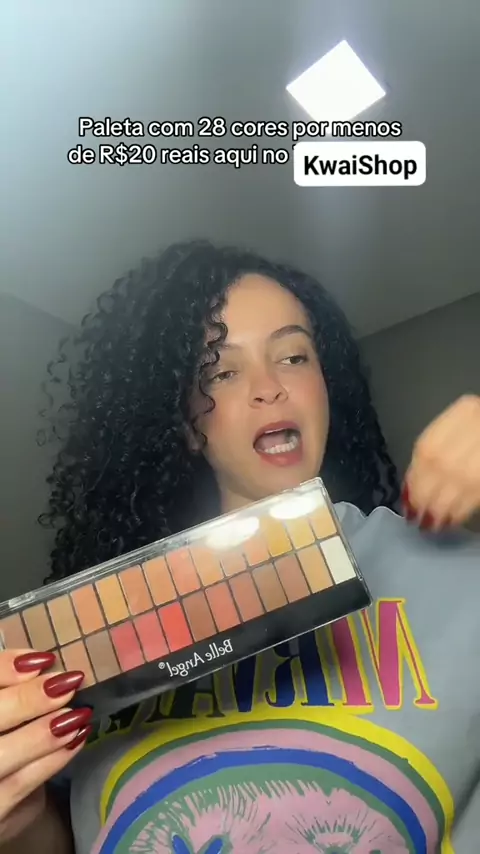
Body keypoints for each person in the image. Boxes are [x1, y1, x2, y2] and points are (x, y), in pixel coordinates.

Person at [0, 239, 479, 853]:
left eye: (294, 356)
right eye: (222, 371)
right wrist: (19, 820)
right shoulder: (102, 624)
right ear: (188, 427)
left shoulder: (455, 573)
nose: (268, 387)